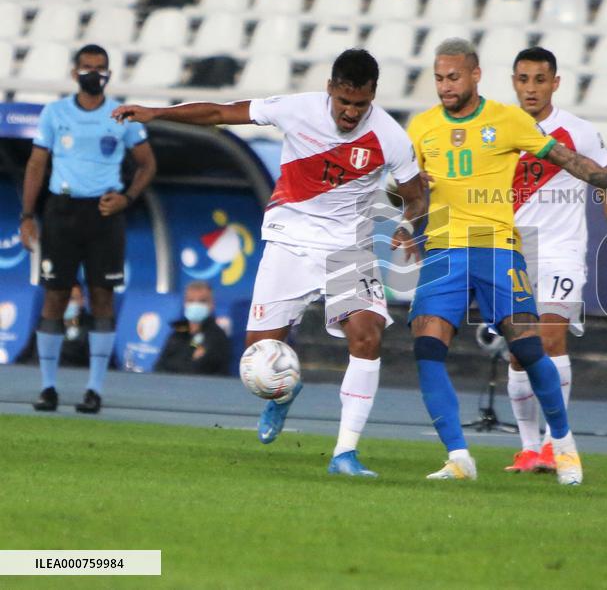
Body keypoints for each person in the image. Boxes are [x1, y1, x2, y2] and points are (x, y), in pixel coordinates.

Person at [113, 49, 427, 476]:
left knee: (368, 337)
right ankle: (283, 394)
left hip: (348, 248)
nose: (351, 113)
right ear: (331, 89)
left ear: (373, 95)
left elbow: (416, 195)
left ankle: (345, 454)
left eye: (361, 104)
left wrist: (409, 225)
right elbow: (220, 112)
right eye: (344, 102)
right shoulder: (297, 109)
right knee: (257, 357)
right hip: (289, 242)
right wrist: (154, 112)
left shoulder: (390, 136)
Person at [406, 38, 607, 485]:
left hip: (498, 246)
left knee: (531, 347)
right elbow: (409, 192)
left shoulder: (508, 120)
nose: (445, 86)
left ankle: (564, 448)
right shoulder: (421, 127)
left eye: (453, 77)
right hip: (445, 248)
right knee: (426, 347)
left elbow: (576, 163)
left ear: (475, 75)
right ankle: (460, 457)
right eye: (438, 78)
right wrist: (405, 214)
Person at [503, 46, 607, 473]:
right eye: (523, 79)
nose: (531, 88)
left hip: (560, 250)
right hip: (511, 251)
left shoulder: (578, 132)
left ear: (555, 83)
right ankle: (528, 449)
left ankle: (553, 443)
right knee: (519, 352)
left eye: (540, 80)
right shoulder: (499, 131)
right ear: (513, 82)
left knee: (551, 338)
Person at [21, 43, 156, 415]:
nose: (93, 73)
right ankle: (48, 386)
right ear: (74, 72)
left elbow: (147, 165)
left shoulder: (122, 115)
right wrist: (27, 215)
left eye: (100, 68)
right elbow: (36, 164)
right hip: (62, 210)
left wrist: (127, 198)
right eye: (87, 67)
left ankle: (93, 389)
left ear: (109, 74)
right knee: (55, 297)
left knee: (101, 298)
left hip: (103, 213)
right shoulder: (55, 112)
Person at [154, 281, 231, 375]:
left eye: (202, 301)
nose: (195, 305)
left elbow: (197, 369)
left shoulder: (217, 336)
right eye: (191, 301)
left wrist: (175, 364)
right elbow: (159, 365)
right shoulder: (178, 332)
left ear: (212, 304)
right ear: (185, 304)